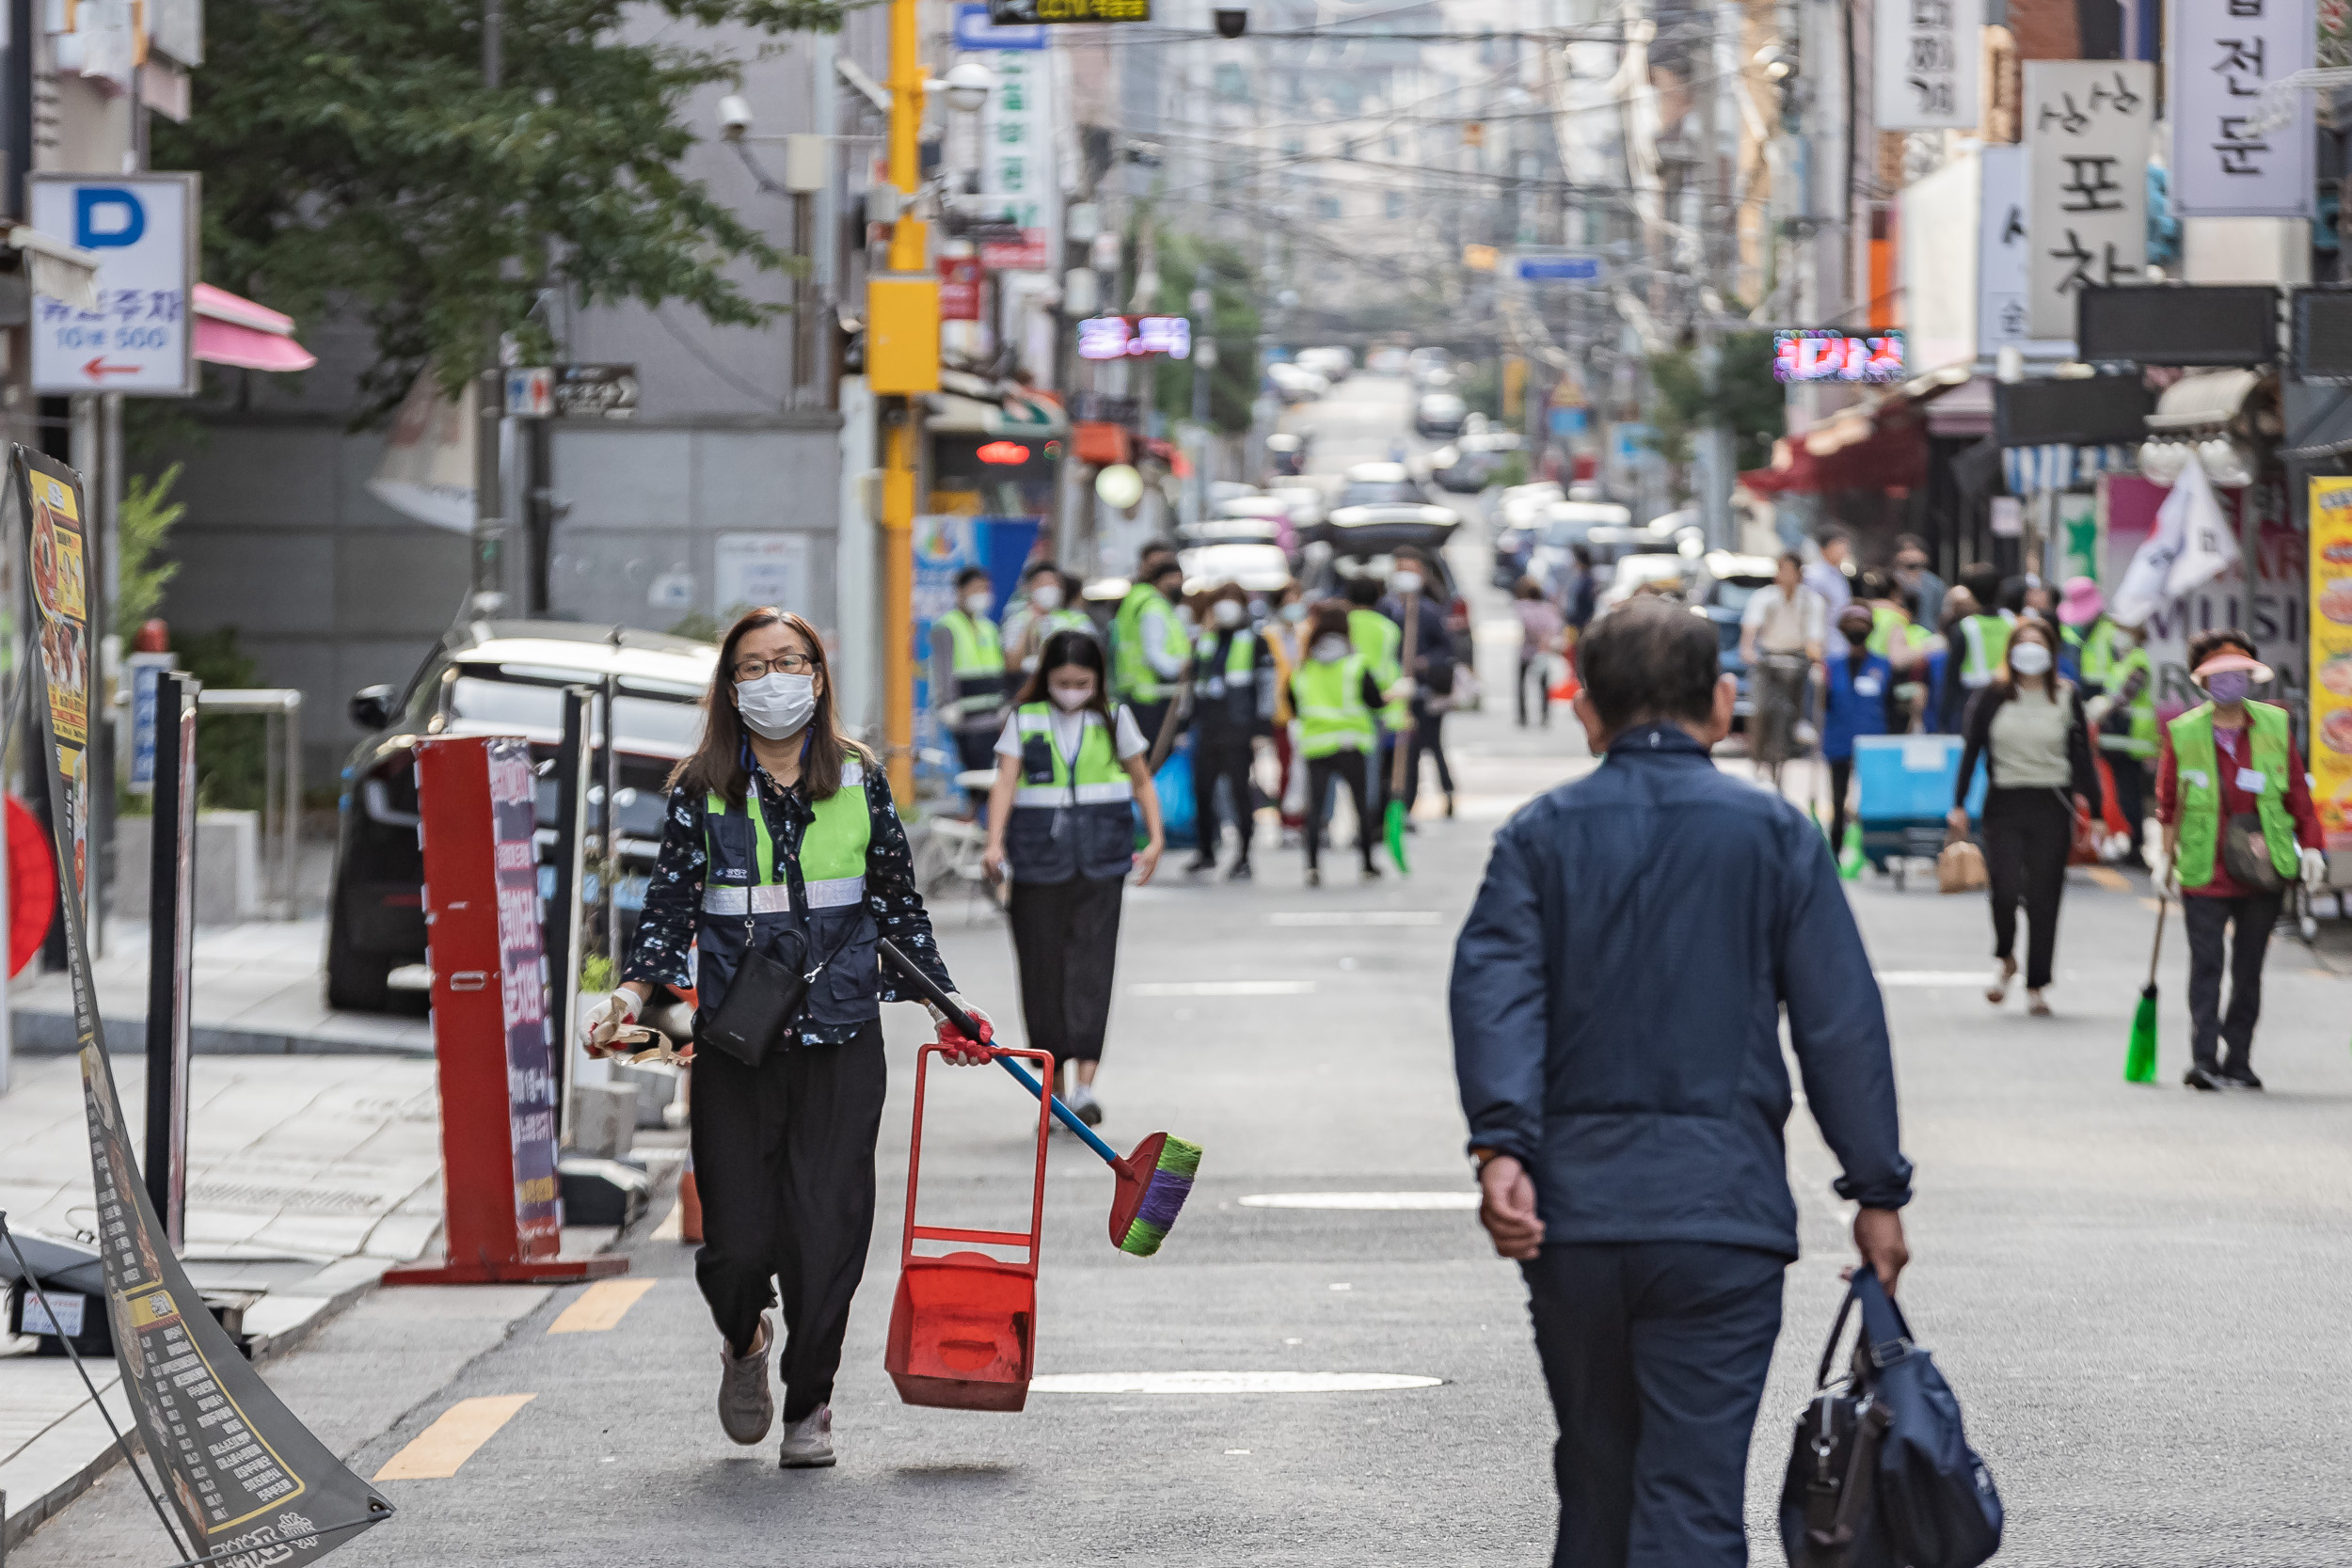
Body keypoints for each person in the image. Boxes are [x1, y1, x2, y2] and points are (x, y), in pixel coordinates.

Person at [1450, 597, 1912, 1568]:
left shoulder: (1538, 836)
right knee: (1692, 1498)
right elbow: (1838, 1025)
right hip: (1720, 1216)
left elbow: (1494, 993)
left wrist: (1501, 1145)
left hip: (1570, 1214)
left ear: (1585, 709)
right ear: (1722, 701)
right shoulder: (1776, 835)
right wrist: (1874, 1187)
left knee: (1595, 1479)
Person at [587, 608, 993, 1470]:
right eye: (755, 666)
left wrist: (945, 1004)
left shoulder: (859, 778)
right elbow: (667, 911)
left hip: (843, 1039)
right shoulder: (701, 790)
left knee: (828, 1232)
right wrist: (625, 997)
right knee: (734, 1245)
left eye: (791, 661)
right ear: (732, 688)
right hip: (738, 1048)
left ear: (817, 674)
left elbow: (895, 904)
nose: (775, 679)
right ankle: (745, 1340)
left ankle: (810, 1403)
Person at [982, 629, 1166, 1125]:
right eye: (1063, 681)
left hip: (1101, 860)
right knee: (1042, 971)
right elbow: (1005, 781)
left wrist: (1155, 837)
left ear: (1097, 680)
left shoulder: (1114, 718)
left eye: (1082, 681)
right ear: (1046, 679)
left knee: (1092, 968)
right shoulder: (1026, 718)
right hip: (1038, 861)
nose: (1072, 690)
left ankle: (1085, 1088)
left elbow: (1141, 778)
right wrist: (994, 841)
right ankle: (1055, 1088)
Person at [2153, 632, 2327, 1091]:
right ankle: (2204, 1058)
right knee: (2206, 964)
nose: (2230, 681)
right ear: (2203, 682)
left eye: (2239, 672)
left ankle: (2240, 1059)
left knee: (2248, 968)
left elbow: (2297, 794)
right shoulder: (2183, 731)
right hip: (2204, 867)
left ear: (2251, 676)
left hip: (2263, 867)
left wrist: (2310, 846)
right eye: (2219, 674)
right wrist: (2162, 860)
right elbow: (2168, 803)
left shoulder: (2274, 724)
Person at [1950, 617, 2102, 1018]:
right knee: (2003, 887)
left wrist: (2098, 811)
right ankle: (2005, 957)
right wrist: (1959, 802)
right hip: (2003, 802)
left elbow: (2082, 757)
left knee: (2043, 895)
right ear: (2011, 653)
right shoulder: (1992, 696)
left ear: (2051, 654)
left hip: (2052, 803)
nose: (2030, 653)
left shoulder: (2067, 697)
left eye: (2038, 645)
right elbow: (1972, 751)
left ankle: (2036, 983)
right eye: (2023, 645)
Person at [1291, 604, 1389, 885]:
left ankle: (1311, 866)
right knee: (1360, 804)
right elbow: (1375, 702)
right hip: (1350, 743)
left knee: (1316, 807)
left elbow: (1293, 702)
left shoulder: (1305, 666)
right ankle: (1368, 863)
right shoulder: (1355, 664)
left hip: (1316, 745)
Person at [1187, 581, 1275, 879]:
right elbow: (1194, 685)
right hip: (1208, 727)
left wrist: (1262, 728)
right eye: (1220, 600)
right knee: (1202, 790)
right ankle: (1205, 851)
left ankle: (1244, 855)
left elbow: (1266, 687)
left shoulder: (1255, 641)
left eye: (1232, 600)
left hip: (1239, 728)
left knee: (1239, 792)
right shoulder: (1206, 640)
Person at [2074, 591, 2156, 866]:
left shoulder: (2138, 661)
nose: (2118, 636)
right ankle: (2131, 842)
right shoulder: (2123, 661)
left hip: (2130, 738)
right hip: (2119, 738)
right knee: (2122, 793)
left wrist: (2104, 706)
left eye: (2124, 631)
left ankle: (2135, 846)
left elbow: (2126, 695)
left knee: (2130, 793)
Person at [1383, 550, 1458, 821]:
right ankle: (1403, 803)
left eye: (1411, 569)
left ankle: (1447, 790)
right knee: (1406, 749)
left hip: (1424, 692)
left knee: (1432, 745)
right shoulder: (1386, 609)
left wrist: (1425, 662)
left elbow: (1447, 649)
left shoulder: (1428, 611)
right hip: (1395, 692)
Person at [1738, 551, 1823, 784]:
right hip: (1767, 659)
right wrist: (1747, 649)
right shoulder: (1764, 597)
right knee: (1760, 708)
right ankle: (1757, 754)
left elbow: (1814, 637)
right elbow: (1751, 627)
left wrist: (1815, 656)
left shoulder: (1811, 601)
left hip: (1797, 659)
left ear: (1799, 574)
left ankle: (1801, 727)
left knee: (1811, 689)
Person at [1821, 603, 1899, 853]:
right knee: (1838, 796)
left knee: (1875, 799)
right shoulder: (1830, 666)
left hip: (1874, 742)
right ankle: (1836, 847)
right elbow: (1821, 704)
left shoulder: (1883, 666)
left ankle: (1875, 850)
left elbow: (1892, 706)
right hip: (1838, 739)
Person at [930, 566, 1010, 810]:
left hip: (993, 716)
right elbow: (943, 669)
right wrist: (947, 704)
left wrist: (1004, 702)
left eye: (985, 589)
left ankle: (984, 823)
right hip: (967, 718)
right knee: (976, 778)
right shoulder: (948, 625)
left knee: (992, 776)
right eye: (975, 588)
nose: (982, 594)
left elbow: (998, 667)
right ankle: (978, 821)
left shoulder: (988, 626)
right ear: (960, 591)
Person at [1112, 546, 1192, 750]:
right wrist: (1180, 667)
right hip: (1152, 695)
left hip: (1142, 691)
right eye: (1173, 578)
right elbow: (1153, 652)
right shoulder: (1153, 607)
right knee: (1154, 756)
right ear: (1159, 580)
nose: (1178, 584)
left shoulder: (1139, 599)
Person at [1004, 560, 1093, 673]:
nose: (1049, 588)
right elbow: (1011, 665)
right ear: (1029, 588)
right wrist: (1028, 628)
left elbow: (1091, 656)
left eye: (1053, 583)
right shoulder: (1017, 621)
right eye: (1042, 583)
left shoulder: (1075, 619)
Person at [1514, 578, 1565, 728]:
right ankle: (1544, 714)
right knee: (1543, 684)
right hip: (1543, 650)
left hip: (1527, 650)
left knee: (1522, 684)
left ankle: (1523, 715)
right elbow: (1556, 626)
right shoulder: (1547, 609)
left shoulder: (1523, 607)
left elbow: (1526, 623)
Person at [1804, 526, 1854, 654]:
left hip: (1838, 641)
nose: (1843, 549)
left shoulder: (1840, 575)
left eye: (1845, 545)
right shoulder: (1814, 575)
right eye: (1839, 544)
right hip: (1820, 642)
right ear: (1824, 548)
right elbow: (1809, 612)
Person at [1892, 534, 1947, 634]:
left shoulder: (1935, 583)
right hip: (1897, 634)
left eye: (1913, 549)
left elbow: (1941, 613)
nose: (1910, 554)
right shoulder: (1892, 581)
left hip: (1927, 633)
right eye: (1906, 549)